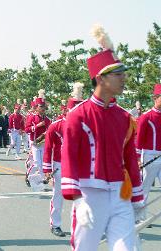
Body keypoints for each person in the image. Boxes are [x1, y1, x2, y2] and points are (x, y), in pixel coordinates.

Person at [61, 25, 144, 251]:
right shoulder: (78, 115)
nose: (123, 78)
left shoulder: (125, 117)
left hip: (120, 194)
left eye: (123, 73)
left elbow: (129, 158)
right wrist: (76, 198)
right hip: (90, 194)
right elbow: (68, 156)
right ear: (100, 78)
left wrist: (137, 196)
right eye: (118, 74)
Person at [42, 82, 84, 237]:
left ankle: (81, 225)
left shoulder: (86, 126)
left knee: (81, 197)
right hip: (60, 165)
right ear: (68, 109)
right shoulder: (55, 126)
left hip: (80, 166)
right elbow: (47, 149)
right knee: (58, 195)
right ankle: (55, 224)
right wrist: (47, 169)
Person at [136, 83, 161, 223]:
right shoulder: (146, 117)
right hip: (149, 155)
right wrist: (138, 158)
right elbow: (139, 139)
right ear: (155, 98)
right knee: (145, 188)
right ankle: (140, 217)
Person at [25, 90, 51, 181]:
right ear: (36, 107)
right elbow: (27, 129)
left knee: (42, 163)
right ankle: (28, 175)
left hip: (43, 143)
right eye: (41, 106)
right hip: (35, 142)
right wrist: (37, 126)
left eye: (44, 106)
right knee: (36, 163)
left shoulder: (47, 119)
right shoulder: (32, 117)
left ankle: (41, 180)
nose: (43, 108)